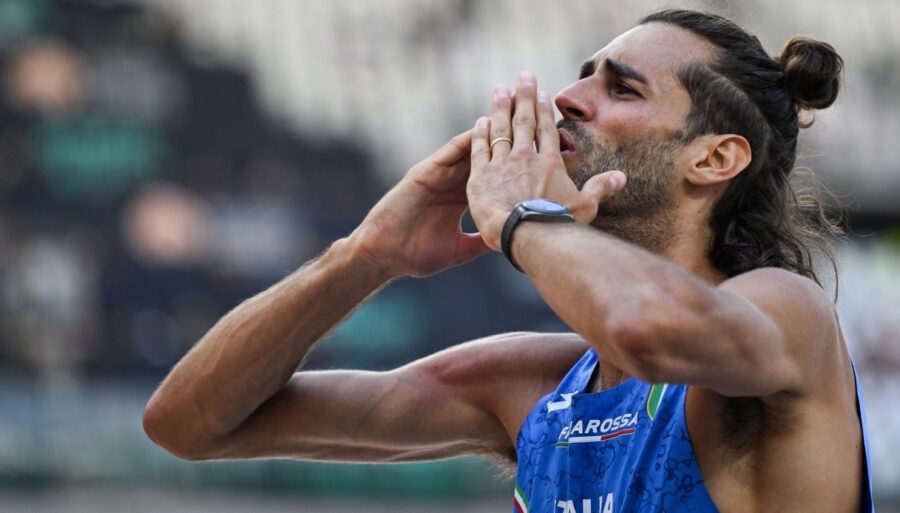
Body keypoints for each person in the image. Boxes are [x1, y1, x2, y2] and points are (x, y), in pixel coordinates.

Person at [143, 9, 874, 513]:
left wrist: (522, 216)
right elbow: (189, 423)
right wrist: (365, 255)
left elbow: (650, 329)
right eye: (583, 76)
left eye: (621, 87)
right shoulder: (534, 384)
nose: (568, 99)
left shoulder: (787, 311)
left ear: (714, 159)